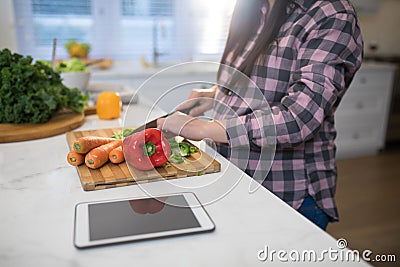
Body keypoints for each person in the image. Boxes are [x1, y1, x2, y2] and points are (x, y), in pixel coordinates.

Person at [157, 0, 363, 230]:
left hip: (289, 192)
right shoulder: (253, 6)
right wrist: (215, 95)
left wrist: (202, 128)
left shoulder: (331, 15)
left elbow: (298, 119)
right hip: (234, 176)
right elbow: (261, 84)